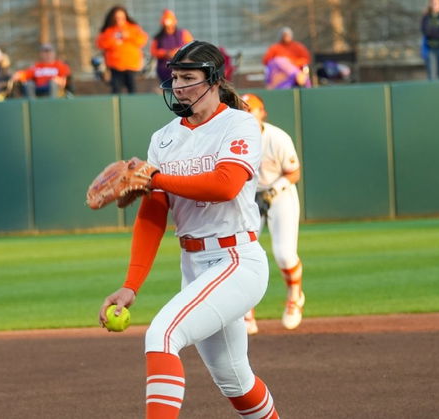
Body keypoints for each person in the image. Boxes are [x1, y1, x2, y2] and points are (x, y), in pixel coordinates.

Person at [98, 40, 279, 418]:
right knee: (234, 379)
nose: (178, 86)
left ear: (213, 80)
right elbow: (153, 215)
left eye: (188, 78)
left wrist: (157, 178)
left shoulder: (240, 123)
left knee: (162, 335)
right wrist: (131, 284)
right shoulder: (164, 138)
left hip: (236, 260)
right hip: (195, 265)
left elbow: (225, 185)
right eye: (175, 77)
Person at [240, 94, 305, 335]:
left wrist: (273, 191)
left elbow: (294, 173)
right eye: (243, 110)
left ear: (262, 113)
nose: (247, 114)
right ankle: (246, 312)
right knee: (244, 258)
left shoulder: (277, 138)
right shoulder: (232, 139)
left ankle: (295, 296)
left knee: (285, 255)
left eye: (251, 110)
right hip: (248, 198)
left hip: (280, 195)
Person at [96, 5, 149, 94]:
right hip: (115, 65)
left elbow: (142, 40)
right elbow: (100, 44)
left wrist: (128, 36)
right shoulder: (109, 30)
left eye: (121, 17)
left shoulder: (133, 28)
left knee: (132, 89)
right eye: (117, 18)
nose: (119, 20)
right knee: (116, 90)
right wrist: (113, 40)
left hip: (131, 65)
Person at [150, 9, 194, 83]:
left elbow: (191, 46)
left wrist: (178, 51)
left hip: (182, 67)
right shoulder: (158, 37)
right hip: (164, 69)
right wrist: (165, 53)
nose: (169, 28)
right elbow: (153, 51)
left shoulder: (183, 34)